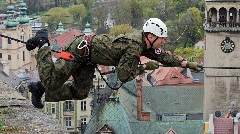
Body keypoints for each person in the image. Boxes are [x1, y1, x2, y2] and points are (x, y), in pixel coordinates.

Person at [26, 18, 203, 108]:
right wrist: (143, 67)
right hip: (79, 49)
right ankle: (43, 43)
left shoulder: (145, 43)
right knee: (52, 81)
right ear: (151, 36)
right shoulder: (134, 47)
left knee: (80, 92)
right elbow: (124, 75)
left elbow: (163, 56)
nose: (163, 42)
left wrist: (186, 63)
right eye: (162, 39)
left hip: (88, 57)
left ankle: (40, 89)